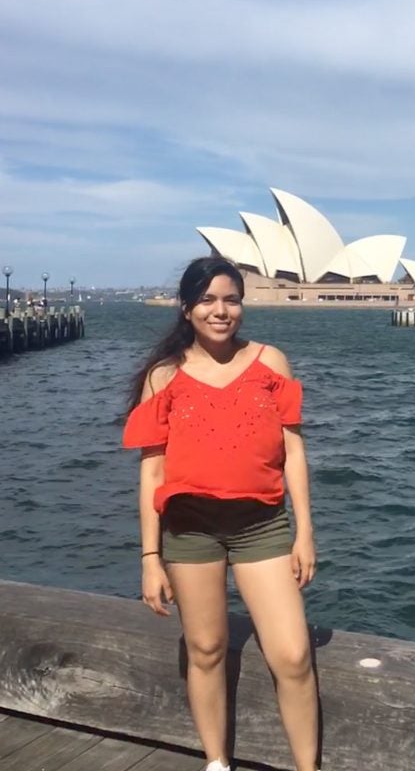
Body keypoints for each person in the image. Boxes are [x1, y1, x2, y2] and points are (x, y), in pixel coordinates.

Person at [123, 256, 318, 771]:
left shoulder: (271, 362)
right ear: (187, 309)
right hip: (190, 531)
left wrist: (304, 533)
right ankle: (216, 762)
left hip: (262, 526)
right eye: (208, 300)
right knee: (206, 648)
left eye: (231, 299)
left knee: (293, 655)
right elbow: (152, 473)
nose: (221, 310)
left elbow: (293, 452)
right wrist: (150, 556)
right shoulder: (163, 376)